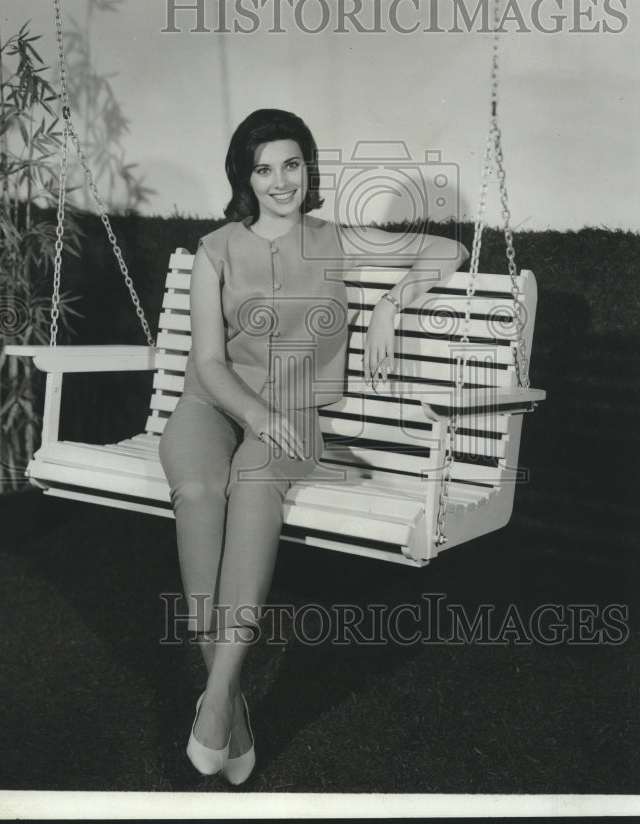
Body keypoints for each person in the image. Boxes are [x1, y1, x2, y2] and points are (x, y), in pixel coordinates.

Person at [158, 108, 468, 784]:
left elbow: (448, 252)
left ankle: (214, 706)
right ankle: (226, 705)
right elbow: (208, 362)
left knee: (256, 481)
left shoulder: (334, 240)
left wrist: (393, 302)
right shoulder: (214, 251)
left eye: (292, 164)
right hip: (212, 406)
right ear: (245, 174)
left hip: (295, 410)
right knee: (199, 489)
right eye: (264, 167)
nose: (280, 181)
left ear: (308, 170)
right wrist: (254, 413)